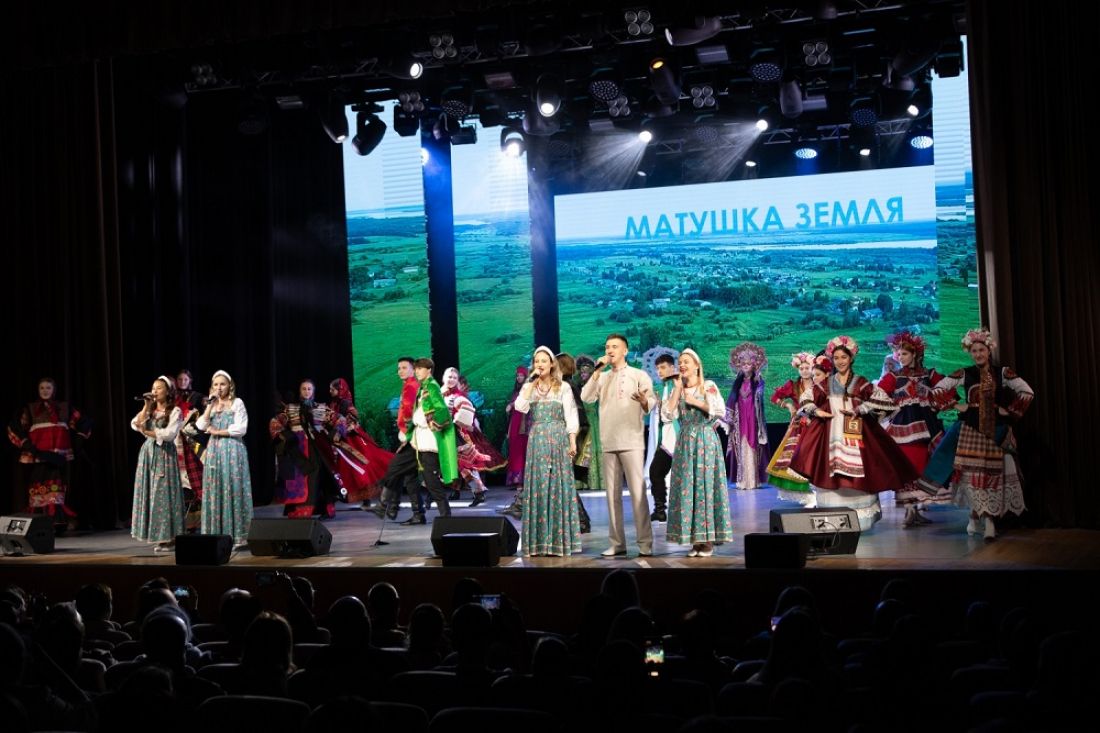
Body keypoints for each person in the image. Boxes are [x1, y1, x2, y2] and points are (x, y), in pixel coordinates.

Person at [789, 336, 917, 530]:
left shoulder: (860, 382)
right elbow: (807, 397)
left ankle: (859, 520)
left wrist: (861, 408)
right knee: (830, 470)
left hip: (855, 432)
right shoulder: (826, 384)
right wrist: (817, 411)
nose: (840, 361)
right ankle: (833, 521)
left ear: (851, 358)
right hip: (831, 432)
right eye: (836, 358)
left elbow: (884, 401)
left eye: (844, 357)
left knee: (861, 469)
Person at [927, 328, 1034, 541]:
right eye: (974, 351)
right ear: (970, 353)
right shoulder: (964, 373)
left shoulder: (1002, 373)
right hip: (971, 429)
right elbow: (937, 390)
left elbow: (1027, 391)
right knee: (973, 476)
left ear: (989, 351)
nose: (978, 354)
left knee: (991, 476)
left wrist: (1009, 411)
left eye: (981, 350)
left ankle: (986, 519)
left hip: (996, 430)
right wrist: (956, 405)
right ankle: (979, 518)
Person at [580, 334, 655, 558]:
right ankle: (617, 543)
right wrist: (596, 372)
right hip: (609, 441)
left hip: (632, 440)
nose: (610, 350)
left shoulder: (638, 375)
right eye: (607, 347)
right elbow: (586, 397)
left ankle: (645, 543)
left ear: (625, 351)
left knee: (638, 493)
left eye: (614, 346)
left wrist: (644, 401)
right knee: (612, 496)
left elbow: (651, 401)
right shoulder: (601, 377)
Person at [877, 331, 953, 527]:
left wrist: (936, 403)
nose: (900, 357)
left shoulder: (928, 374)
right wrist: (890, 407)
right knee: (907, 462)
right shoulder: (894, 376)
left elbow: (948, 390)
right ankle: (910, 508)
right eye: (899, 353)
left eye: (904, 354)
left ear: (915, 354)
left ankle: (916, 509)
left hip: (927, 424)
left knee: (925, 462)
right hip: (903, 424)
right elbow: (878, 395)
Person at [513, 346, 583, 556]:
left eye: (544, 361)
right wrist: (529, 383)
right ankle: (539, 542)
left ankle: (559, 541)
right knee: (539, 486)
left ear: (552, 364)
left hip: (558, 438)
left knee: (558, 485)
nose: (540, 364)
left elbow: (571, 415)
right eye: (537, 361)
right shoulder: (530, 387)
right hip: (537, 440)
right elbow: (520, 406)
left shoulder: (563, 387)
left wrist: (572, 441)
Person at [664, 349, 732, 557]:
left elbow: (719, 411)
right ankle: (695, 540)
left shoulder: (707, 386)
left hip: (704, 439)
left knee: (704, 487)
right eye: (680, 362)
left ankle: (707, 540)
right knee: (688, 488)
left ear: (696, 365)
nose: (682, 365)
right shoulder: (679, 389)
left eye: (686, 361)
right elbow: (667, 414)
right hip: (685, 441)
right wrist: (677, 390)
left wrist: (695, 402)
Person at [7, 377, 90, 529]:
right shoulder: (31, 408)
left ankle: (56, 520)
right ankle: (38, 521)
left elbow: (83, 421)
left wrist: (78, 439)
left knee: (56, 483)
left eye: (48, 388)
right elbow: (15, 426)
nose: (45, 391)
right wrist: (27, 444)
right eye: (42, 388)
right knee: (38, 481)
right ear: (38, 390)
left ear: (54, 390)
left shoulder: (64, 407)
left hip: (58, 453)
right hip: (38, 453)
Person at [382, 358, 455, 525]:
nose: (417, 372)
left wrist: (428, 422)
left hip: (429, 441)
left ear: (429, 370)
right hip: (419, 441)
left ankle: (446, 517)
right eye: (416, 369)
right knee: (412, 477)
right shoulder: (423, 387)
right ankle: (418, 514)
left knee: (431, 481)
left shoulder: (432, 387)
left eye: (420, 369)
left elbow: (442, 412)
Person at [196, 370, 253, 546]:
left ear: (230, 386)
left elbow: (241, 428)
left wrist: (218, 432)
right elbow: (200, 425)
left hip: (232, 450)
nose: (219, 388)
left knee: (233, 488)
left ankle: (237, 535)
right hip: (214, 452)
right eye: (216, 384)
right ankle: (216, 534)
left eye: (222, 384)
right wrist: (209, 406)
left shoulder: (237, 403)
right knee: (216, 489)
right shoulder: (211, 405)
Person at [130, 376, 185, 550]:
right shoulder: (150, 409)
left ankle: (170, 537)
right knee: (151, 493)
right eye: (153, 388)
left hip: (164, 455)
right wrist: (146, 406)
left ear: (168, 391)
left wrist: (148, 432)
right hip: (148, 454)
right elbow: (135, 424)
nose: (154, 391)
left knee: (164, 494)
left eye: (159, 388)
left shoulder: (175, 411)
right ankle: (157, 536)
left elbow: (169, 434)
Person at [270, 379, 334, 519]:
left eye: (309, 389)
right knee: (299, 478)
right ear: (300, 391)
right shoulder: (290, 408)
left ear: (313, 391)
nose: (306, 391)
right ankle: (298, 508)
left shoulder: (321, 408)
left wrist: (335, 433)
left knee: (316, 476)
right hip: (297, 447)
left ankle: (316, 508)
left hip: (316, 446)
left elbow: (337, 419)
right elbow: (275, 422)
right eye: (304, 389)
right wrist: (284, 435)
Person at [325, 378, 394, 506]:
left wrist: (342, 426)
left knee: (360, 465)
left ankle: (367, 497)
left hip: (351, 439)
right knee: (347, 468)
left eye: (332, 389)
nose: (330, 391)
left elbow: (354, 419)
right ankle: (345, 494)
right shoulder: (333, 403)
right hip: (339, 439)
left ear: (340, 390)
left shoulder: (346, 404)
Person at [440, 368, 503, 506]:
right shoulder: (442, 395)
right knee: (448, 465)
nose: (451, 380)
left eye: (454, 378)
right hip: (444, 436)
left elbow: (468, 420)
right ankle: (461, 491)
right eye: (449, 377)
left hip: (458, 436)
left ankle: (478, 491)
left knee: (465, 464)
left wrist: (458, 422)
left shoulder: (459, 398)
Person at [766, 352, 818, 506]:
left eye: (807, 368)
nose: (804, 371)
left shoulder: (819, 384)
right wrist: (788, 405)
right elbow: (775, 397)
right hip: (799, 426)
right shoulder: (793, 385)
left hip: (817, 424)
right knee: (798, 458)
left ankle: (819, 492)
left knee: (815, 457)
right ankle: (807, 495)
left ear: (813, 368)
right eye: (801, 368)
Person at [371, 356, 419, 520]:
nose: (400, 371)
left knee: (394, 469)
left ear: (413, 370)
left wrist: (407, 436)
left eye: (404, 368)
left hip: (411, 438)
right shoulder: (409, 385)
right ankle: (409, 511)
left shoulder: (411, 387)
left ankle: (385, 506)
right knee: (409, 477)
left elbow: (410, 414)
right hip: (409, 436)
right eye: (399, 368)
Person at [722, 342, 769, 490]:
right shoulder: (737, 383)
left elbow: (760, 394)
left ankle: (754, 481)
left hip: (753, 419)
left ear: (754, 365)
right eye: (743, 364)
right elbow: (731, 399)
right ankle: (742, 481)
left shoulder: (758, 381)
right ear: (739, 366)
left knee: (753, 446)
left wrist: (758, 382)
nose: (746, 366)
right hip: (740, 419)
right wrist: (728, 419)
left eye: (749, 364)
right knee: (741, 447)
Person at [557, 352, 592, 533]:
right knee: (563, 481)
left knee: (565, 481)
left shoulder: (567, 387)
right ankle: (578, 520)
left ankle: (581, 521)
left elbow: (576, 418)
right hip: (563, 438)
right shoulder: (564, 386)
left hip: (568, 439)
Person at [646, 353, 679, 523]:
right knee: (655, 472)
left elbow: (671, 414)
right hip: (665, 438)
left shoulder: (678, 386)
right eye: (657, 368)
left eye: (663, 367)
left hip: (677, 437)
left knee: (661, 472)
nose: (659, 371)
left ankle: (673, 510)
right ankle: (660, 510)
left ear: (673, 368)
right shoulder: (664, 387)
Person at [174, 369, 206, 532]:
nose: (182, 382)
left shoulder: (197, 397)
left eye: (185, 379)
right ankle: (182, 522)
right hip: (175, 442)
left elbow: (203, 417)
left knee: (195, 481)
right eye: (180, 379)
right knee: (179, 483)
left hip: (191, 443)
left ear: (190, 381)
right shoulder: (173, 397)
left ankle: (198, 521)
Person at [573, 355, 604, 492]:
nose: (583, 374)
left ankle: (595, 481)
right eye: (582, 373)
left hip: (593, 421)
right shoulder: (578, 387)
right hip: (582, 421)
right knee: (581, 451)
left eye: (586, 372)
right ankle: (581, 483)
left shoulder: (596, 387)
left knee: (592, 448)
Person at [503, 365, 531, 488]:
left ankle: (522, 480)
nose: (519, 378)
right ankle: (515, 479)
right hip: (515, 423)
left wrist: (512, 404)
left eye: (521, 376)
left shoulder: (528, 389)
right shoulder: (515, 391)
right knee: (514, 449)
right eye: (518, 376)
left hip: (523, 424)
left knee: (522, 450)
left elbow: (525, 401)